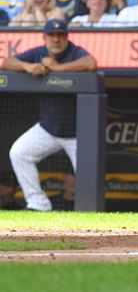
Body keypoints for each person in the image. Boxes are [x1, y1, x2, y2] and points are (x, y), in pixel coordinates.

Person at [3, 18, 97, 211]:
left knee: (89, 175)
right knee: (19, 153)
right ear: (44, 37)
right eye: (52, 35)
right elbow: (7, 61)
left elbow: (91, 63)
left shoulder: (74, 52)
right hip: (49, 129)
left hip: (78, 134)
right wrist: (28, 67)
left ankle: (90, 209)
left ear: (67, 37)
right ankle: (38, 203)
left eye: (60, 35)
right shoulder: (38, 52)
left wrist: (57, 68)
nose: (56, 40)